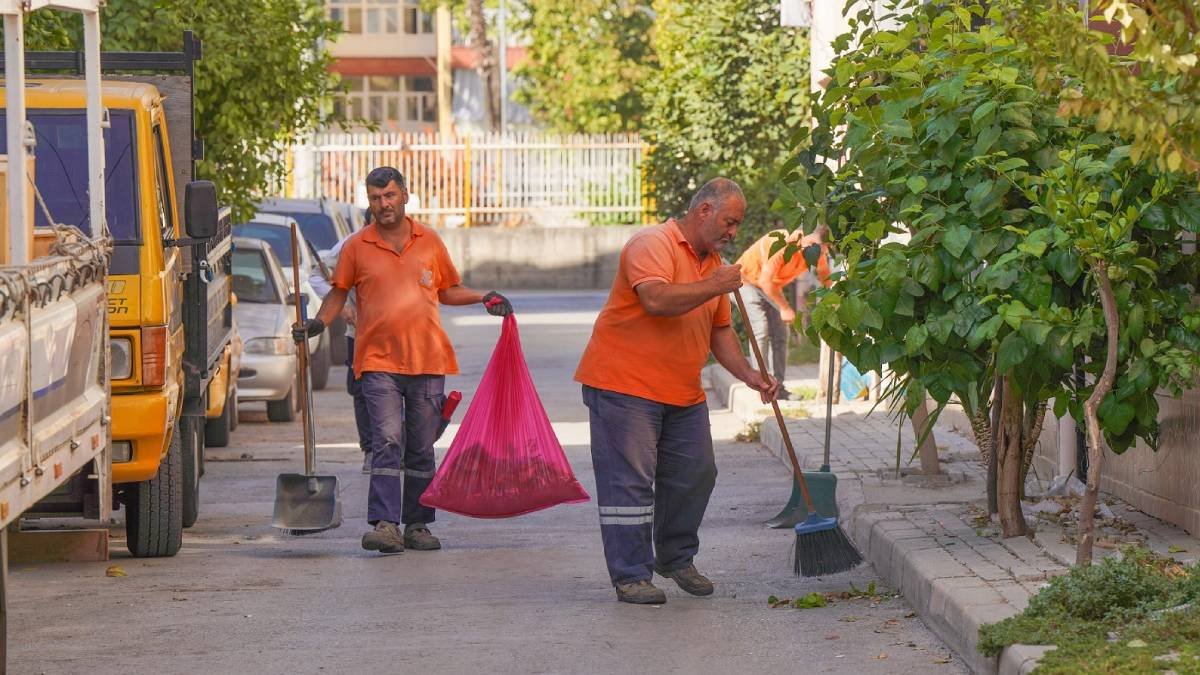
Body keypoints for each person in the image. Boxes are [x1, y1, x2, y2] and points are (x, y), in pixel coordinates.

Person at [574, 178, 779, 605]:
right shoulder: (652, 244)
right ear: (703, 210)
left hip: (682, 392)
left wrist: (751, 375)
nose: (733, 232)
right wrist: (717, 285)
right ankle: (631, 575)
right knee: (629, 484)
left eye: (737, 224)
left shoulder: (713, 263)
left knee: (696, 474)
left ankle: (674, 557)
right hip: (624, 386)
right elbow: (657, 300)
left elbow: (719, 330)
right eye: (729, 221)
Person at [293, 166, 512, 555]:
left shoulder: (429, 241)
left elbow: (448, 290)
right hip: (377, 361)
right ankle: (385, 525)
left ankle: (418, 525)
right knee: (387, 440)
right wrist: (317, 324)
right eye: (376, 199)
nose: (383, 205)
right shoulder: (357, 246)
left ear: (405, 196)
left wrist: (484, 298)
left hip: (428, 360)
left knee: (421, 446)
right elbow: (338, 293)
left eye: (389, 196)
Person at [734, 224, 831, 398]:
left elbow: (824, 274)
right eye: (813, 245)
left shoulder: (816, 251)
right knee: (761, 329)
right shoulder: (780, 243)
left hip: (769, 287)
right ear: (803, 236)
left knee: (780, 334)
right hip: (744, 282)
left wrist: (832, 298)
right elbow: (765, 281)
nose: (816, 252)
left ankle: (778, 388)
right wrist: (785, 307)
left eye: (821, 250)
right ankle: (762, 386)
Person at [308, 234, 373, 474]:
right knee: (362, 392)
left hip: (400, 339)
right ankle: (371, 450)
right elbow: (316, 277)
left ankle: (401, 450)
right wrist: (342, 305)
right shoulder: (350, 245)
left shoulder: (411, 242)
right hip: (360, 336)